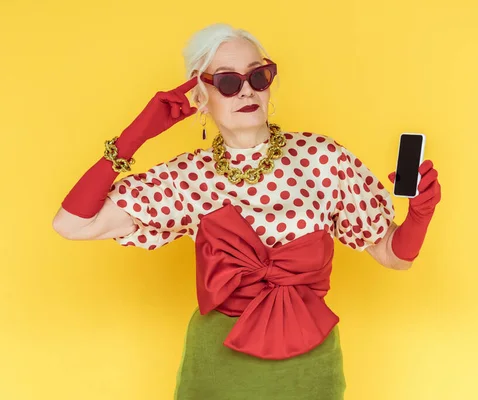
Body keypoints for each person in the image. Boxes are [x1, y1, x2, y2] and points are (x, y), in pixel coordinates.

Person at [52, 23, 441, 400]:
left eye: (258, 77)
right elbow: (71, 224)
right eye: (227, 82)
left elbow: (392, 255)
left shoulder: (323, 158)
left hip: (310, 368)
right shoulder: (185, 178)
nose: (245, 92)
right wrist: (135, 135)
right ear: (200, 94)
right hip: (218, 366)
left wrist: (420, 214)